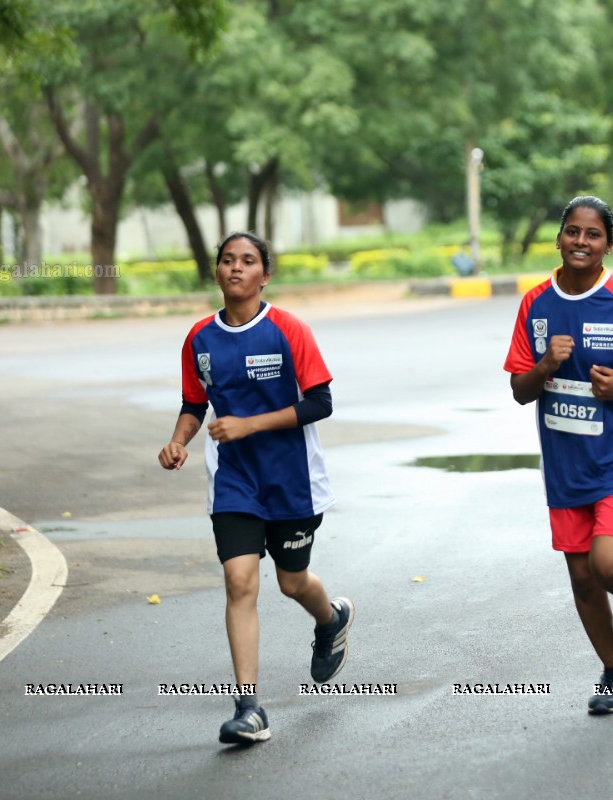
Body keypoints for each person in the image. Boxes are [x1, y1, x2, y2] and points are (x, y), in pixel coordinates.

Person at [158, 231, 353, 745]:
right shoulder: (200, 338)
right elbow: (194, 403)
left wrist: (249, 424)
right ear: (217, 272)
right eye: (228, 260)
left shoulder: (289, 330)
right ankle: (250, 708)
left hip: (292, 482)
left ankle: (330, 618)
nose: (237, 268)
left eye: (248, 261)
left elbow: (320, 403)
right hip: (235, 481)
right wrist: (178, 440)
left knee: (292, 583)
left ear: (265, 274)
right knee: (240, 582)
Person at [504, 196, 613, 714]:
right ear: (558, 238)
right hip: (565, 463)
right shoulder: (535, 302)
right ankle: (612, 670)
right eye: (572, 232)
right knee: (581, 577)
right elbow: (519, 389)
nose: (581, 242)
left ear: (607, 244)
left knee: (609, 563)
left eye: (593, 234)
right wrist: (544, 366)